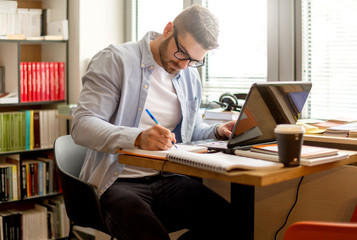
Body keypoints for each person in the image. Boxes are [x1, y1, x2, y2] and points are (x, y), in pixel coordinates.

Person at [71, 4, 237, 240]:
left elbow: (191, 130)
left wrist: (218, 131)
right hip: (118, 181)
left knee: (231, 222)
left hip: (168, 178)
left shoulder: (189, 74)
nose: (183, 66)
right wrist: (137, 138)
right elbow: (82, 125)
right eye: (181, 54)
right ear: (168, 29)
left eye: (194, 61)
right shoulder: (115, 60)